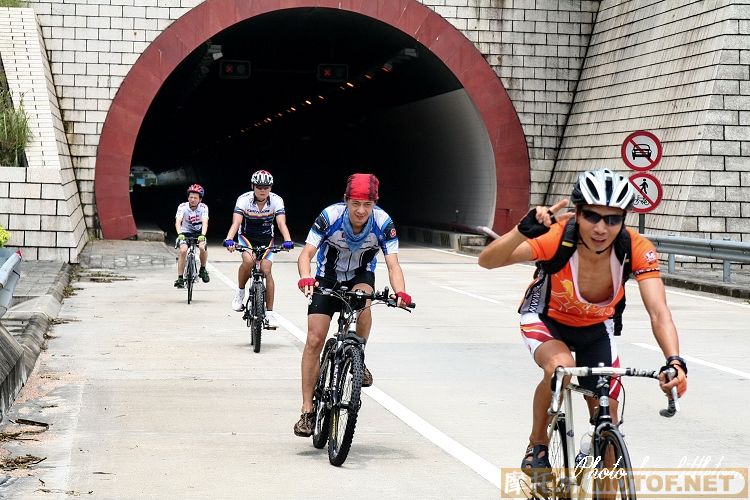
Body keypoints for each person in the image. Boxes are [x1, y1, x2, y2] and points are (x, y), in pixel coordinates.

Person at [477, 168, 687, 476]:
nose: (601, 228)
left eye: (613, 219)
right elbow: (487, 261)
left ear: (623, 219)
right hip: (546, 319)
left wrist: (675, 361)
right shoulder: (556, 235)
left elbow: (659, 312)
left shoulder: (636, 248)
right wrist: (522, 231)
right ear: (577, 212)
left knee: (609, 429)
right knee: (559, 367)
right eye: (592, 216)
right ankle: (537, 444)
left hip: (596, 328)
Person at [293, 173, 413, 437]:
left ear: (375, 204)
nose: (361, 210)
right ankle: (307, 411)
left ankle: (358, 355)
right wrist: (306, 277)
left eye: (367, 204)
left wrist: (401, 292)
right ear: (346, 200)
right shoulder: (330, 216)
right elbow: (306, 254)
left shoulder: (383, 222)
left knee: (365, 302)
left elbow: (393, 264)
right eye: (356, 203)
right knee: (314, 340)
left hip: (361, 275)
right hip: (328, 276)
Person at [223, 169, 293, 328]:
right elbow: (236, 223)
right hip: (246, 237)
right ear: (253, 186)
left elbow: (281, 223)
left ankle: (270, 313)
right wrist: (229, 239)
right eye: (259, 187)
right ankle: (240, 293)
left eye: (266, 187)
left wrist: (288, 240)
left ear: (271, 188)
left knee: (267, 271)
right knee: (248, 261)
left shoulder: (276, 200)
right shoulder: (243, 200)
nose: (263, 190)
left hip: (266, 237)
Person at [174, 184, 210, 288]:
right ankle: (180, 278)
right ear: (188, 197)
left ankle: (203, 269)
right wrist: (179, 234)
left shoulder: (204, 207)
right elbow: (178, 222)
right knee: (183, 250)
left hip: (199, 233)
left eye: (195, 198)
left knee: (203, 247)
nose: (193, 200)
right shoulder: (182, 207)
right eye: (191, 197)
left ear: (200, 199)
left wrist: (203, 235)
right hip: (185, 232)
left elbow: (205, 222)